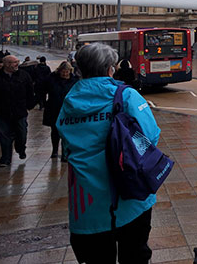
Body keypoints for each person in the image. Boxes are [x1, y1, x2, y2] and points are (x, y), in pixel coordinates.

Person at [57, 43, 161, 264]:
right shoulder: (126, 96)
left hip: (86, 201)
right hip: (128, 194)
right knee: (134, 256)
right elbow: (150, 136)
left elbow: (65, 141)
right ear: (109, 69)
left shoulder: (69, 100)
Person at [0, 55, 35, 167]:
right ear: (6, 64)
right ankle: (5, 158)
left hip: (19, 111)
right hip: (2, 112)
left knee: (22, 134)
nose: (17, 64)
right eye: (14, 62)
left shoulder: (24, 76)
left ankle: (20, 149)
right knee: (4, 136)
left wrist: (30, 105)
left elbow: (30, 91)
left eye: (17, 62)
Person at [42, 61, 78, 159]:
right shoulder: (52, 79)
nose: (65, 74)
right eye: (63, 72)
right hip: (54, 108)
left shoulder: (74, 81)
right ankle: (54, 150)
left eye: (67, 72)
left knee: (66, 132)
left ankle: (65, 153)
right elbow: (43, 90)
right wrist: (44, 103)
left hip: (69, 110)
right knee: (55, 130)